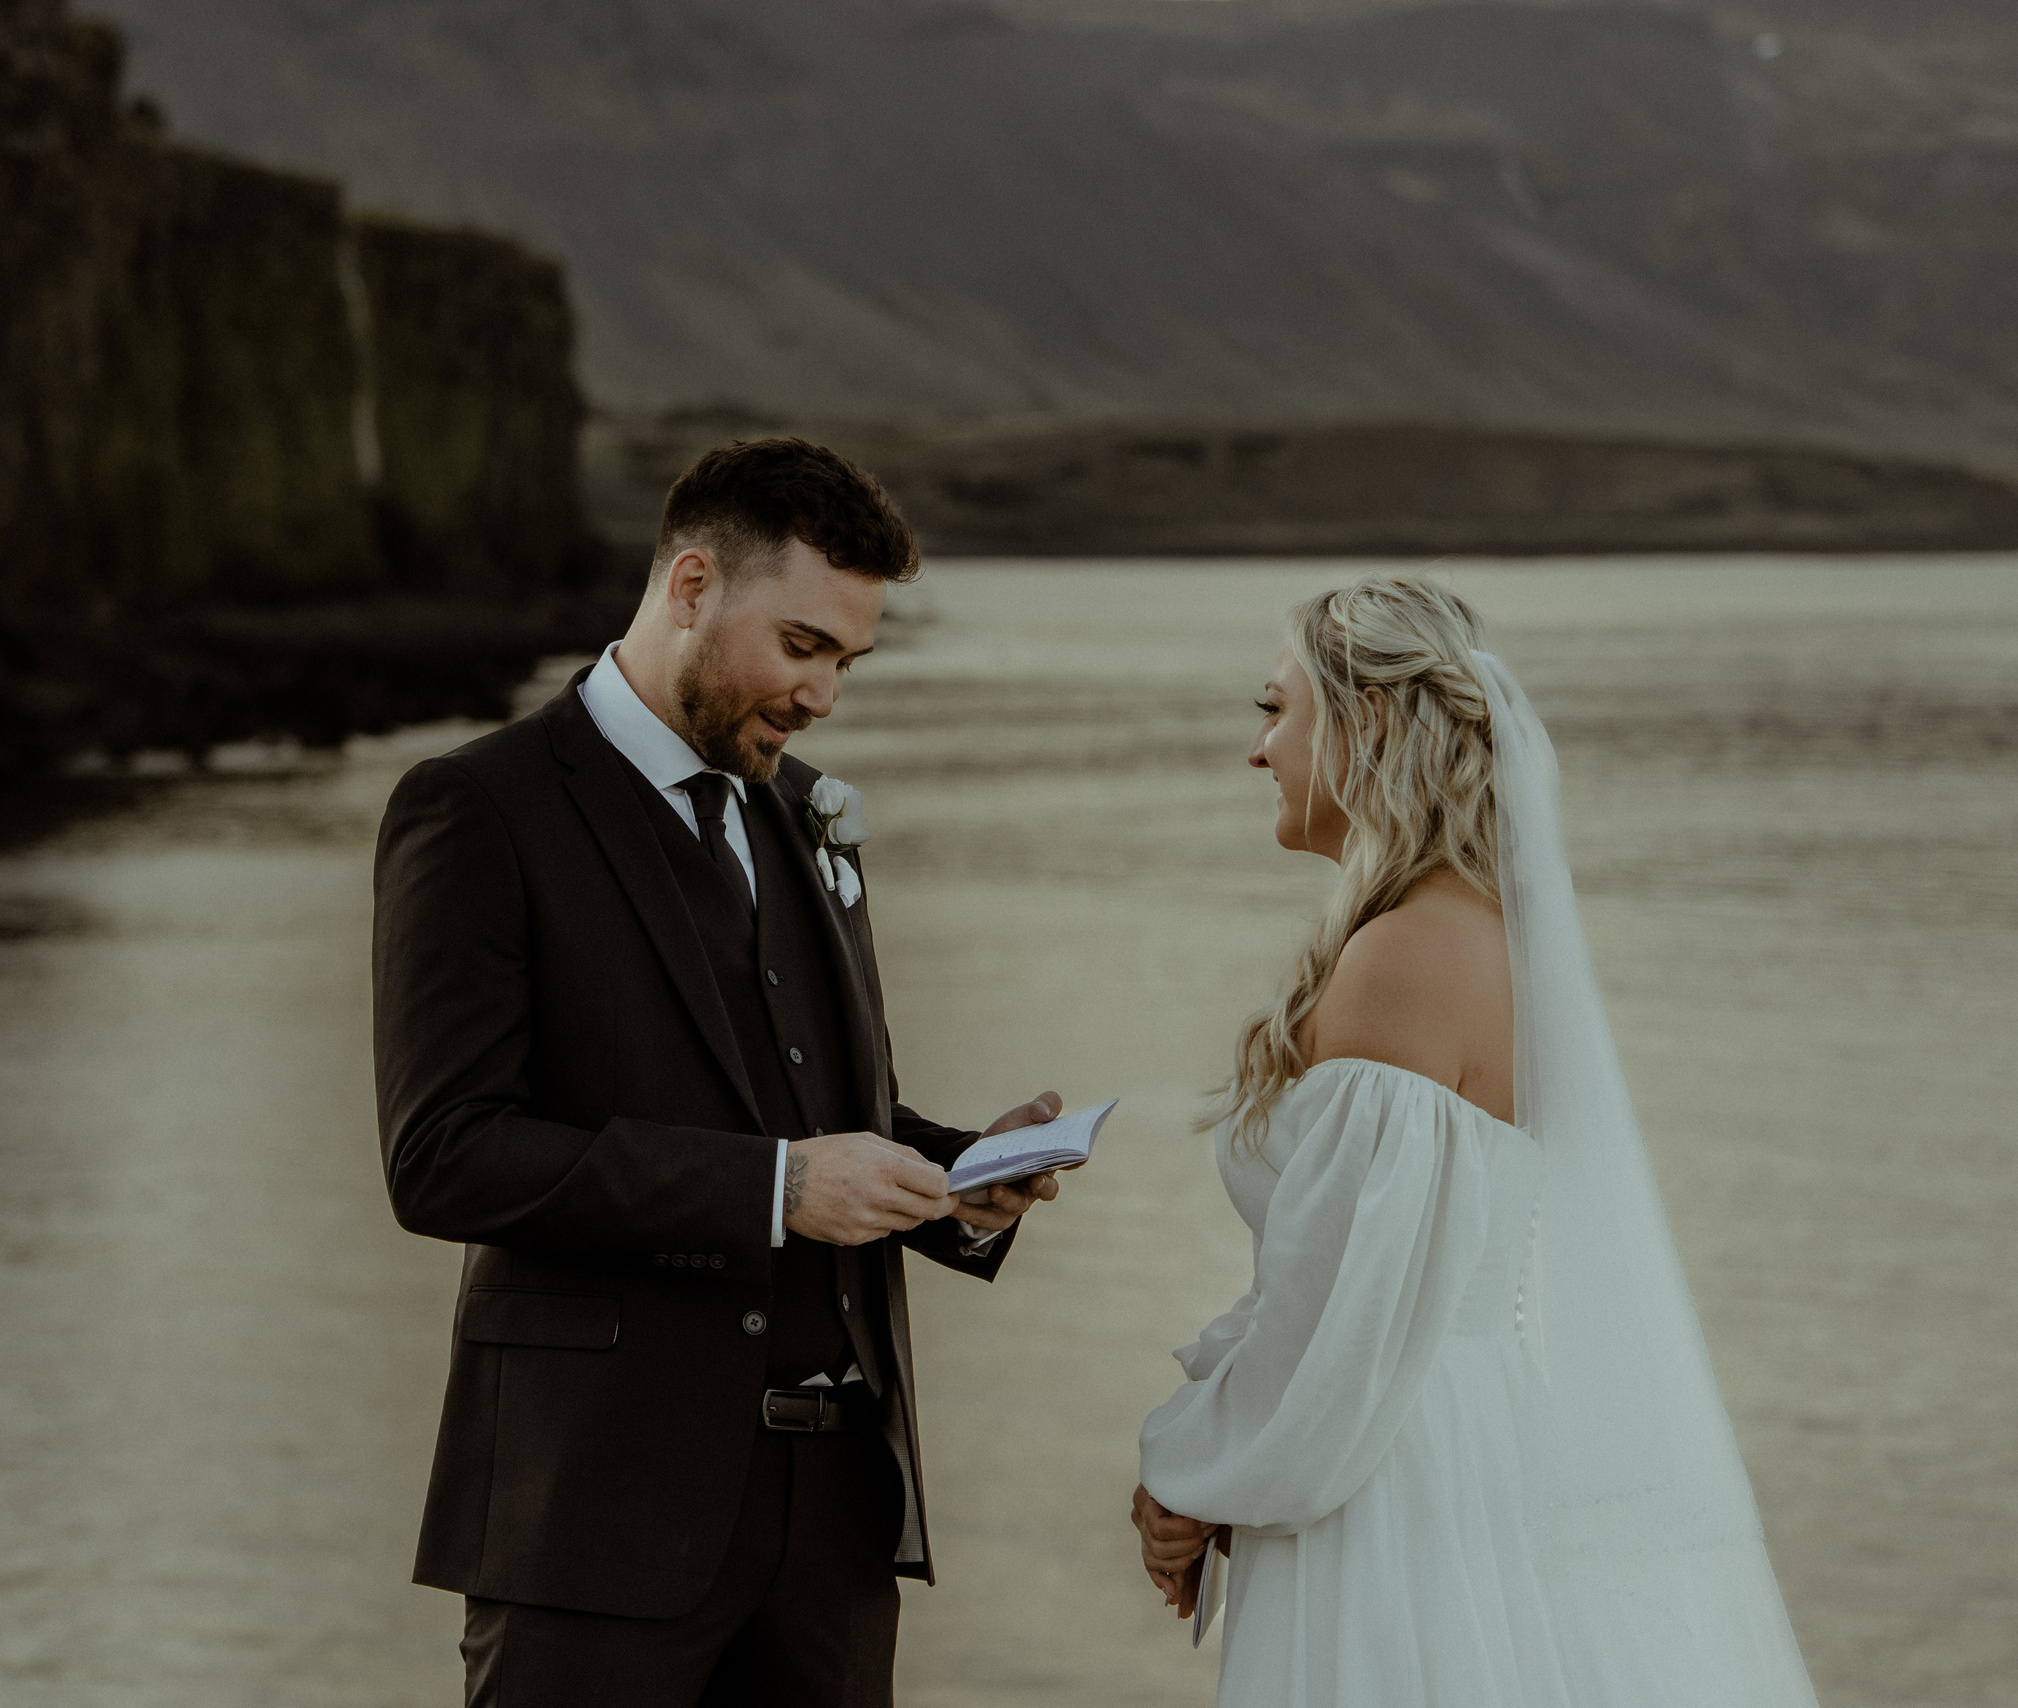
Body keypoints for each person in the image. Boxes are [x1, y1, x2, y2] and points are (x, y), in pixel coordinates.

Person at [371, 438, 1062, 1707]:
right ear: (690, 585)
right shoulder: (480, 808)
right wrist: (774, 1189)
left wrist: (957, 1174)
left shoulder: (797, 810)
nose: (822, 699)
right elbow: (443, 1156)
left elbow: (795, 1109)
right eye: (800, 646)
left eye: (846, 661)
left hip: (836, 1522)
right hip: (592, 1517)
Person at [1129, 575, 1821, 1706]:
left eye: (1274, 710)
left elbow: (1343, 1308)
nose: (1259, 750)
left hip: (1384, 1467)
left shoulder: (1403, 958)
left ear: (1371, 723)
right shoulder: (1483, 934)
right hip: (1468, 1438)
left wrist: (1190, 1473)